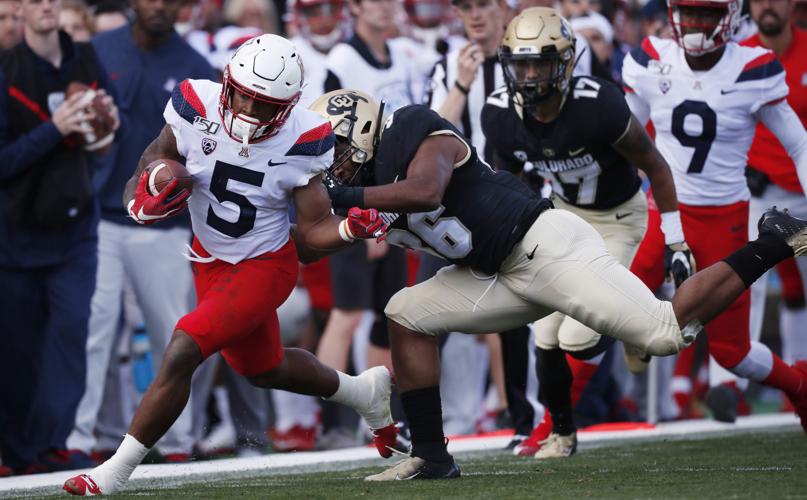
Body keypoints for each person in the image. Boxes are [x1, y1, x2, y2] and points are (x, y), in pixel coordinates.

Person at [310, 83, 807, 479]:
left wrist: (347, 197)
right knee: (404, 313)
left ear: (364, 129)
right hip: (493, 273)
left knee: (664, 333)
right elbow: (311, 245)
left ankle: (776, 239)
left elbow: (424, 191)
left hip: (544, 246)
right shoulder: (360, 182)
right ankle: (433, 457)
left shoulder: (415, 128)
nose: (327, 167)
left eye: (332, 150)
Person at [62, 34, 397, 496]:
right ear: (228, 82)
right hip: (209, 260)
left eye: (265, 105)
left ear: (289, 105)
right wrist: (140, 195)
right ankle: (364, 393)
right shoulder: (193, 104)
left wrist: (349, 231)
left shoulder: (305, 136)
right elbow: (156, 158)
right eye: (244, 96)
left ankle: (113, 472)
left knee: (184, 346)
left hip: (265, 265)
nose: (249, 112)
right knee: (265, 369)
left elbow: (314, 229)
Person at [482, 7, 693, 458]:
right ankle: (562, 432)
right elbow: (505, 183)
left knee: (578, 338)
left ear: (566, 62)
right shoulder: (499, 114)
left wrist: (674, 237)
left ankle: (635, 322)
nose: (531, 74)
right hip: (561, 217)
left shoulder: (599, 105)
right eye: (522, 64)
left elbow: (655, 165)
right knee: (545, 332)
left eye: (541, 62)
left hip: (618, 219)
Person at [621, 0, 807, 422]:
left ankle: (799, 385)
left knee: (732, 351)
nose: (696, 24)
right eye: (689, 13)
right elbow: (624, 137)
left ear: (730, 15)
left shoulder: (753, 67)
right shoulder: (653, 59)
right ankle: (554, 422)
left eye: (706, 13)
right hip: (664, 208)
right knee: (617, 296)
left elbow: (798, 143)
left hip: (727, 217)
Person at [66, 0, 217, 463]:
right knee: (91, 332)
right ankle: (79, 439)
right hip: (100, 217)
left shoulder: (196, 68)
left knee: (173, 335)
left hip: (164, 224)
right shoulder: (97, 49)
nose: (160, 5)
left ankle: (175, 442)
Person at [0, 0, 120, 474]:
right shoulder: (6, 69)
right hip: (15, 235)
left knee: (70, 336)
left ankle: (52, 443)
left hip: (75, 231)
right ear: (19, 10)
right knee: (17, 351)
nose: (45, 5)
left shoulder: (86, 59)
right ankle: (15, 451)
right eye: (33, 0)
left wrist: (103, 124)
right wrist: (55, 129)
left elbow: (115, 126)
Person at [741, 0, 807, 397]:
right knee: (743, 279)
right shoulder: (738, 58)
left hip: (803, 199)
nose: (767, 4)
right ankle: (729, 382)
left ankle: (799, 379)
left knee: (801, 291)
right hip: (761, 198)